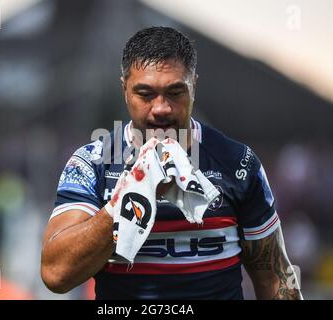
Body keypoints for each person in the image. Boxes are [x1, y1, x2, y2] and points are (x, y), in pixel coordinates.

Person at [41, 26, 302, 300]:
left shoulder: (237, 163)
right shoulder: (92, 162)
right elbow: (56, 275)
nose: (161, 108)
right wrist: (125, 203)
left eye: (175, 93)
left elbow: (275, 281)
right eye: (145, 94)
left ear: (194, 86)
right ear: (124, 90)